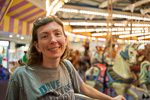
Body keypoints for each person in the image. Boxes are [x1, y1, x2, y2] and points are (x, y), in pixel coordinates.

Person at [6, 16, 126, 100]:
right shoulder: (21, 76)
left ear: (65, 39)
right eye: (45, 36)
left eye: (57, 34)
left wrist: (111, 99)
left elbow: (84, 88)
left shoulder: (67, 66)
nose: (53, 40)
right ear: (37, 46)